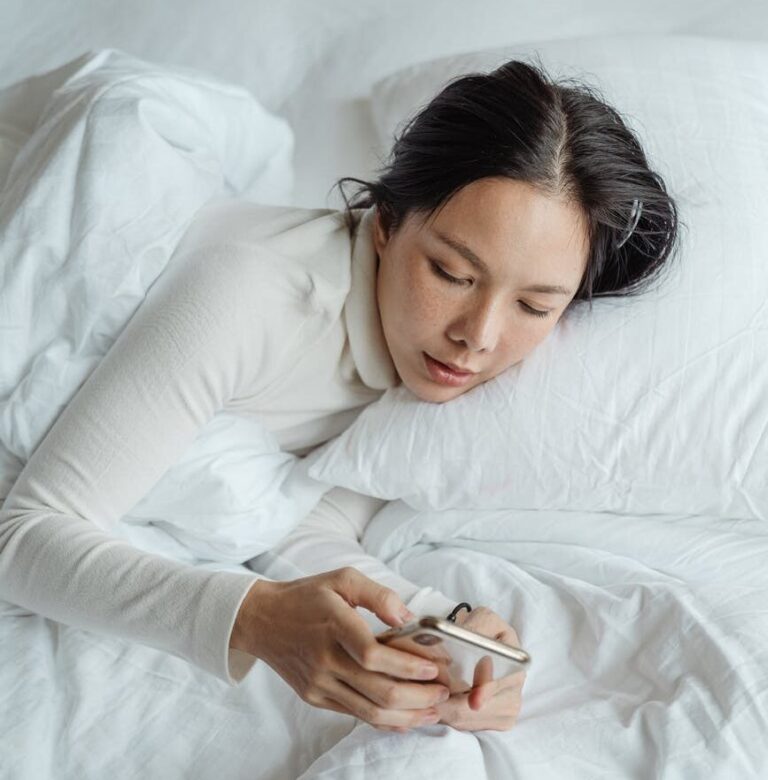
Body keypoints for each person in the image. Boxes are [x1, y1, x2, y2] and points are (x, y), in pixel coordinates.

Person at [0, 58, 679, 735]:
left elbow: (298, 523)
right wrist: (252, 617)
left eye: (534, 305)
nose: (478, 337)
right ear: (383, 223)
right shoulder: (256, 297)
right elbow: (25, 533)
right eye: (451, 272)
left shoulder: (436, 381)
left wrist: (438, 628)